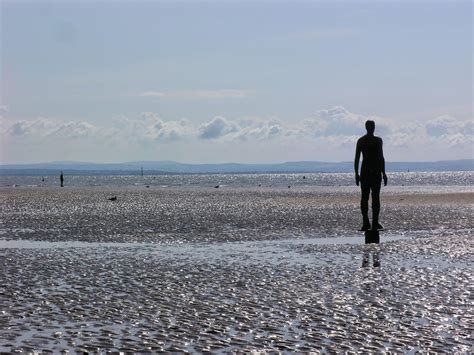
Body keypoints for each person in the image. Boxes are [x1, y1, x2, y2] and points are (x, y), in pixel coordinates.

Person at [354, 120, 387, 231]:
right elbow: (381, 158)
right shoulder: (375, 141)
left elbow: (357, 159)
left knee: (367, 198)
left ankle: (370, 222)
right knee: (373, 198)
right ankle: (370, 222)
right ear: (372, 128)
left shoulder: (363, 141)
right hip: (373, 172)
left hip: (368, 172)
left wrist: (356, 173)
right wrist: (384, 172)